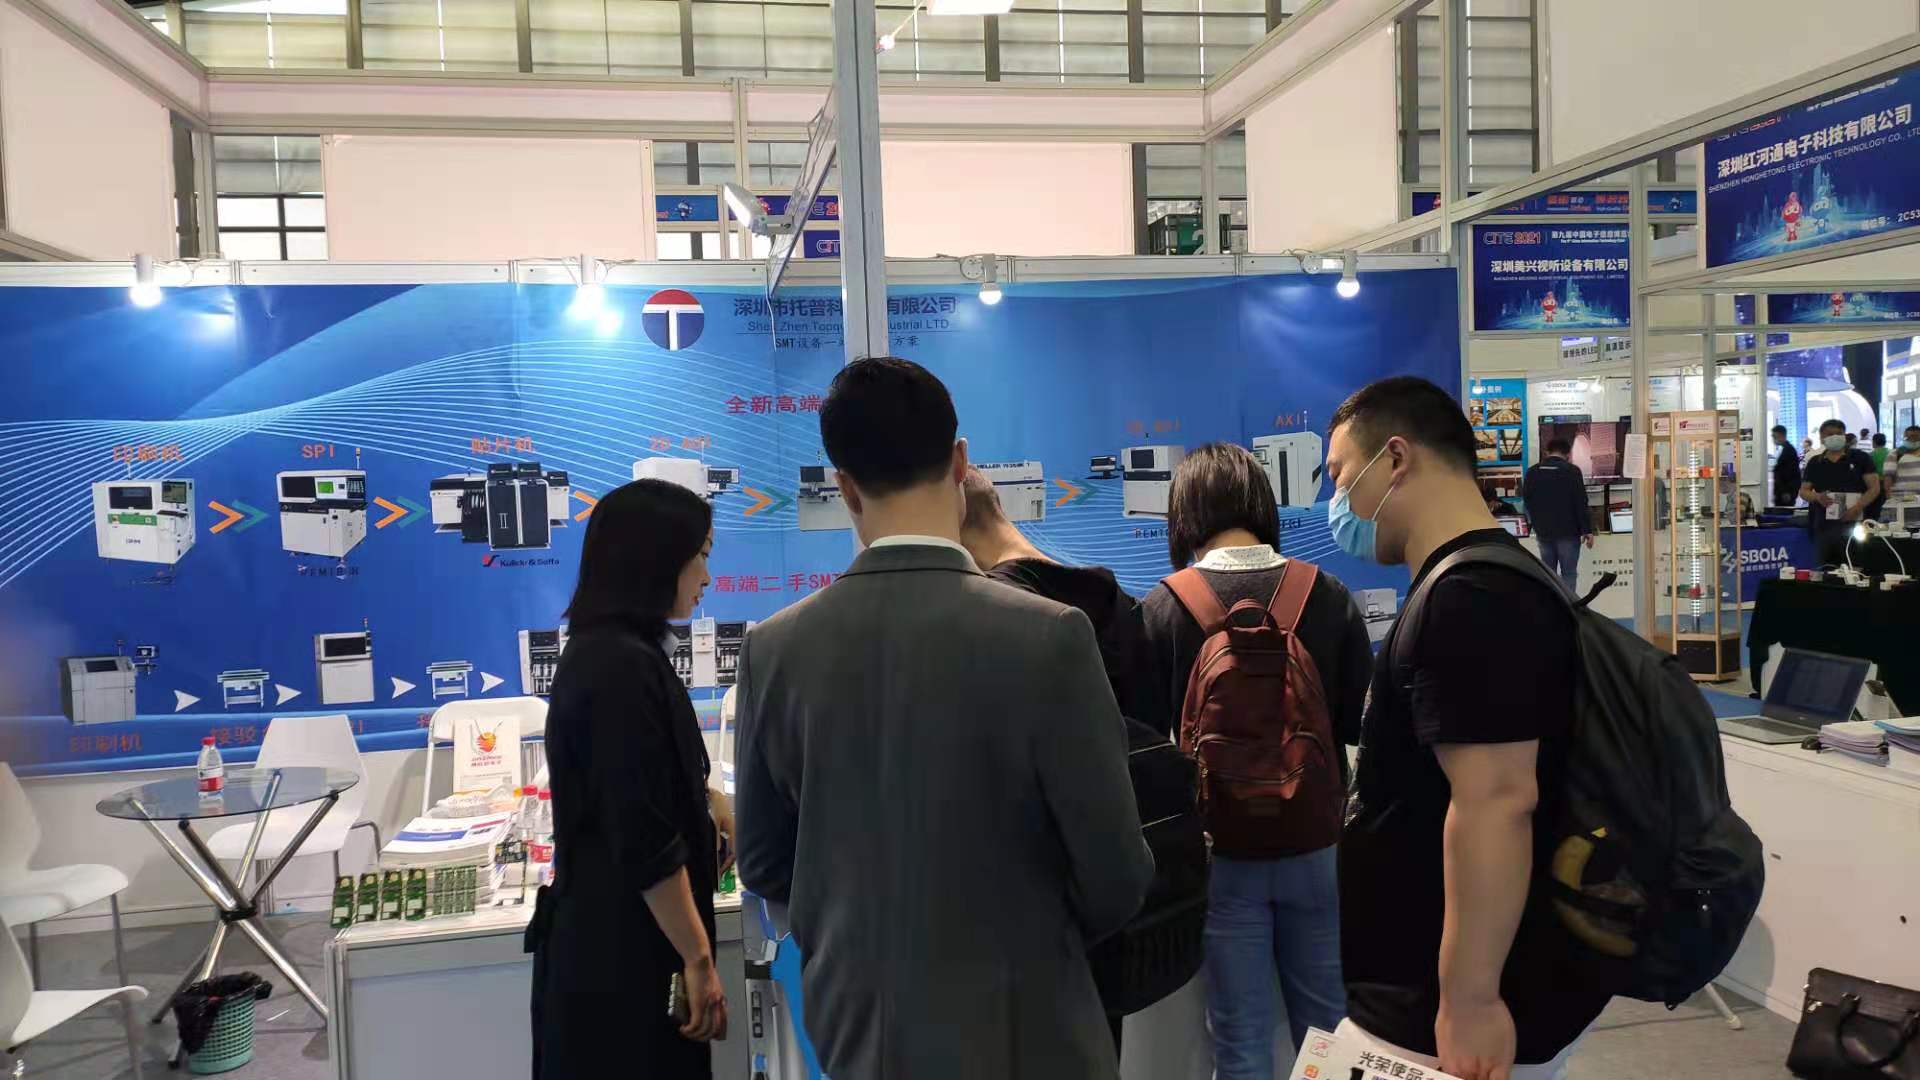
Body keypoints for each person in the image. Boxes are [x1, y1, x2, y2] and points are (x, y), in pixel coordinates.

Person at [735, 357, 1153, 1080]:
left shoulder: (774, 649)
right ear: (961, 463)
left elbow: (766, 863)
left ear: (844, 486)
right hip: (1028, 1031)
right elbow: (1116, 874)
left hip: (858, 1028)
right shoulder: (1051, 635)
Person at [1327, 376, 1611, 1080]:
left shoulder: (1473, 597)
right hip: (1429, 988)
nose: (1337, 500)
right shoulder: (1478, 581)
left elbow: (1496, 800)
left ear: (1396, 458)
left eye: (1339, 474)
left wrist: (1470, 999)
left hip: (1443, 1010)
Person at [1136, 443, 1371, 1078]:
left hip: (1222, 858)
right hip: (1317, 847)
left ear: (1185, 515)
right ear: (1262, 506)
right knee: (1330, 1032)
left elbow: (1147, 749)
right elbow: (1358, 726)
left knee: (1240, 1042)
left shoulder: (1162, 608)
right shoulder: (1328, 595)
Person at [528, 479, 728, 1079]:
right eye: (701, 557)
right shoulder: (616, 665)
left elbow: (650, 776)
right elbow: (643, 836)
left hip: (627, 947)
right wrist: (697, 957)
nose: (707, 577)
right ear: (657, 560)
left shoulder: (624, 653)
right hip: (622, 964)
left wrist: (713, 803)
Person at [1801, 418, 1882, 565]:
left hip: (1855, 525)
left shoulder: (1860, 458)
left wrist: (1857, 507)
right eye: (1830, 434)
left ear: (1845, 435)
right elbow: (1804, 491)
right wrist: (1817, 497)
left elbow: (1874, 488)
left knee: (1856, 566)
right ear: (1821, 437)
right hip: (1823, 526)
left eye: (1839, 433)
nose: (1835, 437)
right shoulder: (1815, 462)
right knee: (1825, 567)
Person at [1520, 437, 1593, 592]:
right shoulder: (1572, 471)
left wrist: (1535, 524)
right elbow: (1581, 502)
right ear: (1568, 454)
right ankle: (1569, 605)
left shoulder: (1533, 472)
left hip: (1543, 532)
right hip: (1569, 532)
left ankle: (1552, 604)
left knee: (1549, 574)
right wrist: (1586, 530)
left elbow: (1527, 500)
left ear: (1547, 452)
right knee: (1569, 574)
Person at [1771, 424, 1801, 508]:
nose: (1773, 439)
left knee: (1785, 513)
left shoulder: (1789, 451)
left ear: (1781, 435)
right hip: (1782, 492)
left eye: (1774, 436)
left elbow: (1790, 473)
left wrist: (1786, 492)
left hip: (1786, 494)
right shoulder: (1784, 449)